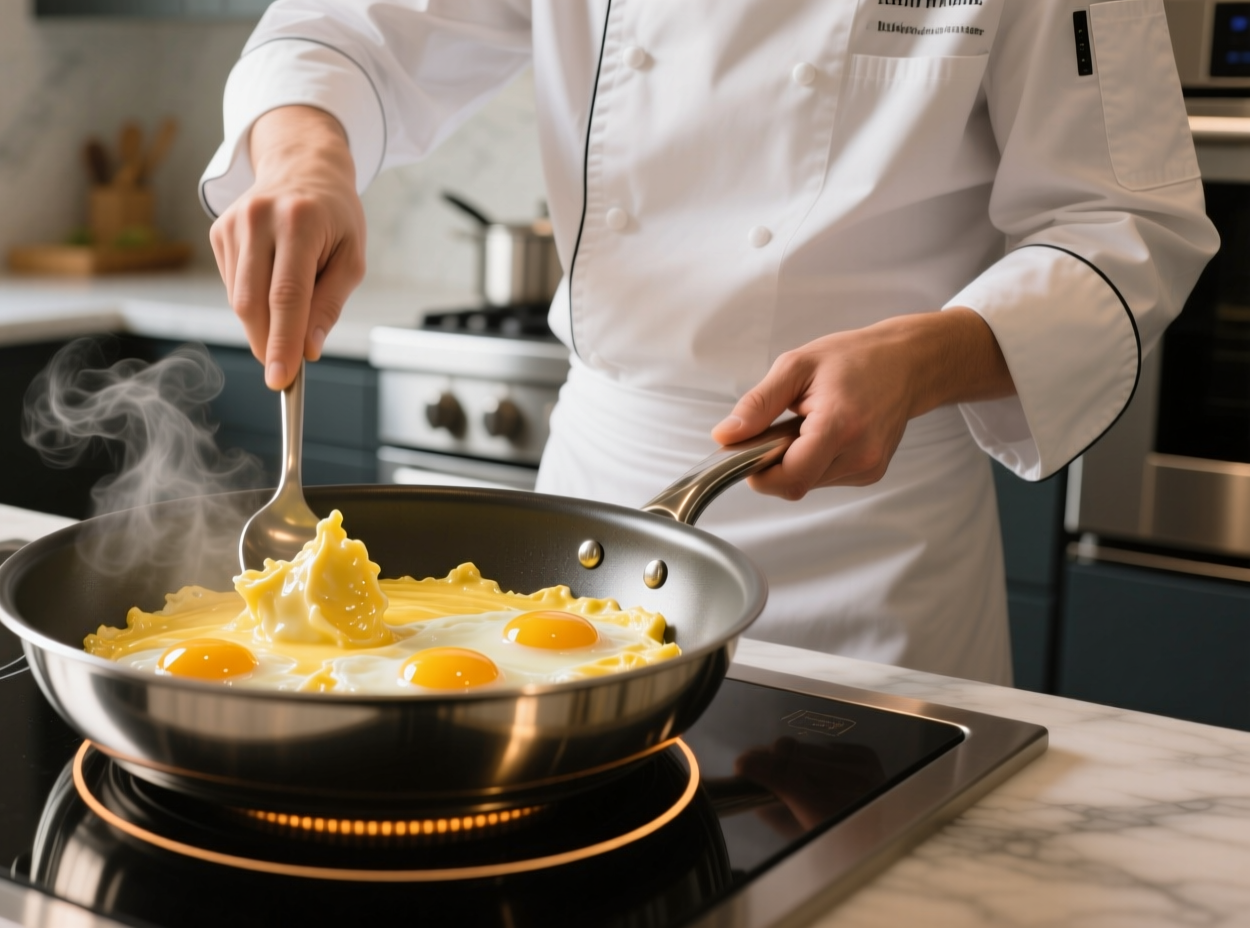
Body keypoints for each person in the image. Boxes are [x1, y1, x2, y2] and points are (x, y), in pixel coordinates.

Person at [198, 1, 1218, 684]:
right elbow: (344, 31)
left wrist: (923, 357)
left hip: (871, 544)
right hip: (598, 510)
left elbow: (1125, 226)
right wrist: (302, 159)